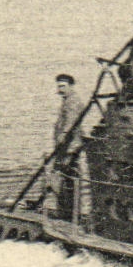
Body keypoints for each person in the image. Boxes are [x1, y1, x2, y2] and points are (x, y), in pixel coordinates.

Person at [43, 72, 87, 216]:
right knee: (70, 178)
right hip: (70, 146)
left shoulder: (72, 102)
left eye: (63, 86)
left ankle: (54, 210)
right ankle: (69, 210)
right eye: (59, 86)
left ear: (71, 86)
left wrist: (62, 138)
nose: (60, 89)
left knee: (57, 174)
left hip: (69, 147)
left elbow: (70, 122)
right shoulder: (69, 100)